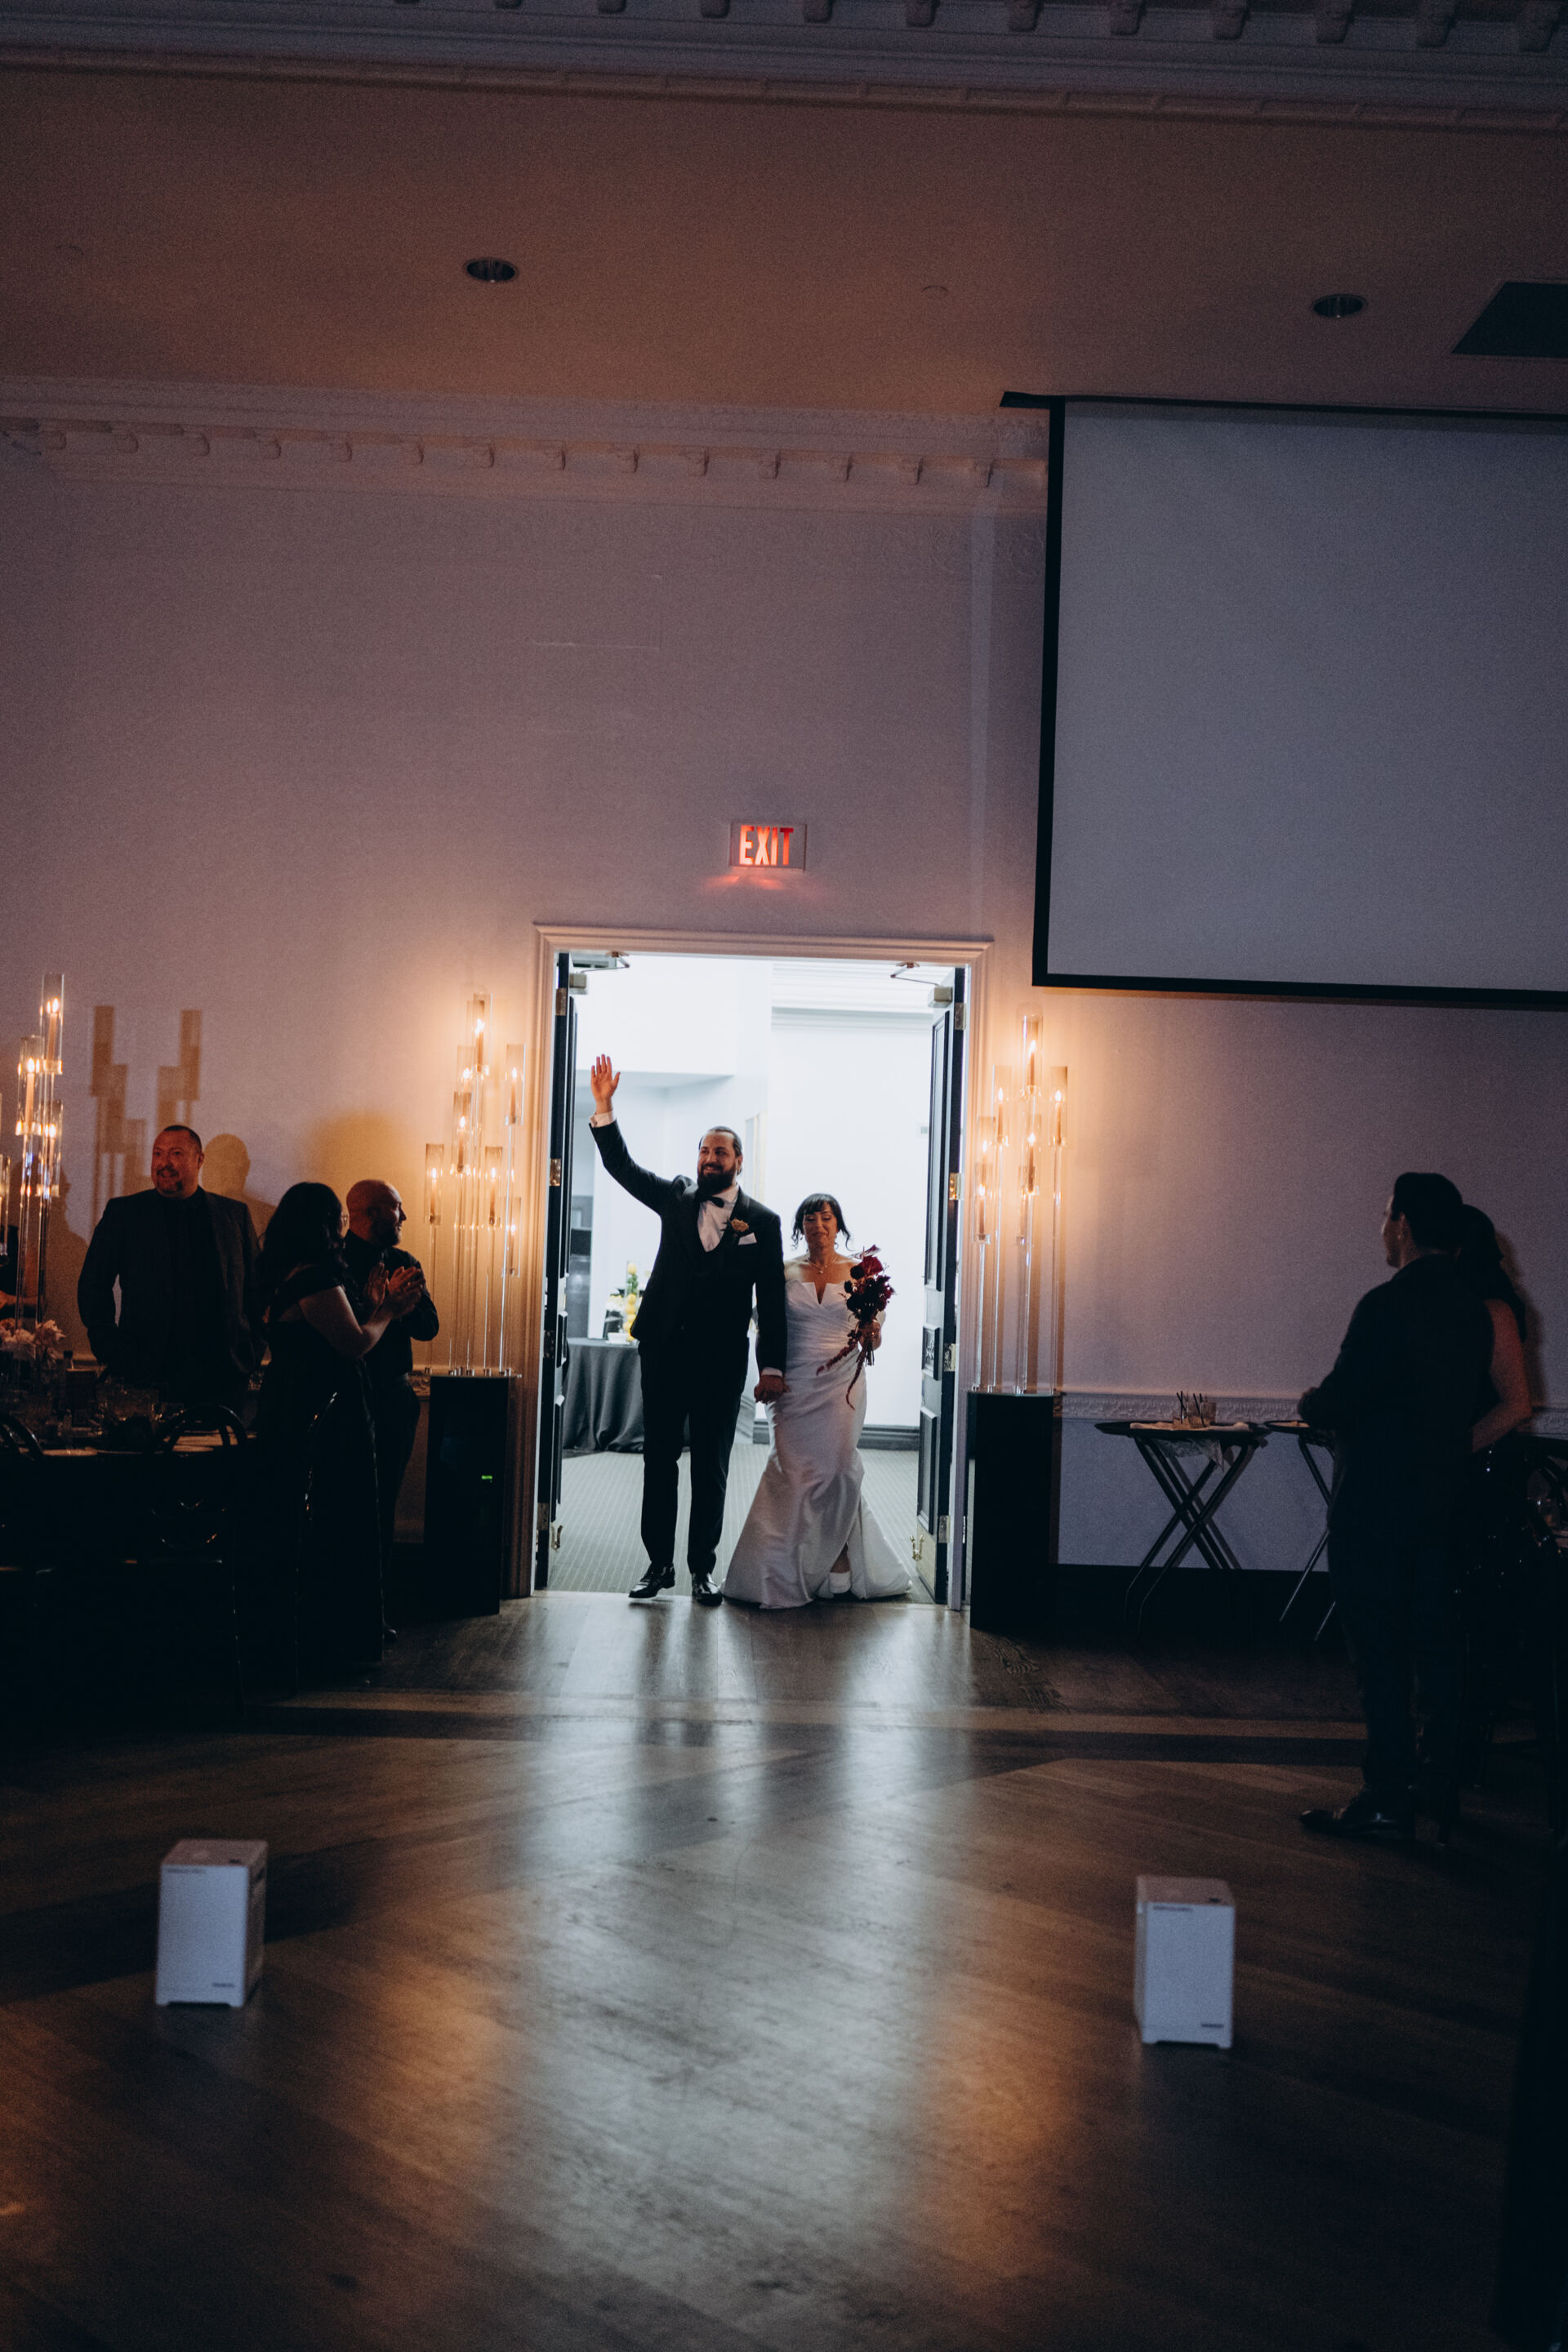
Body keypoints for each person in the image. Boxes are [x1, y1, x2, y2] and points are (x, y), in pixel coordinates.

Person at [1297, 1171, 1492, 1845]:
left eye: (1386, 1215)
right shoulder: (1472, 1311)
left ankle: (1386, 1794)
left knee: (1378, 1658)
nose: (1382, 1227)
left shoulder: (1385, 1306)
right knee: (1436, 1651)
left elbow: (1340, 1400)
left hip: (1374, 1507)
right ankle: (1438, 1791)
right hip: (1442, 1503)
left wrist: (1310, 1403)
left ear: (1404, 1224)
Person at [587, 1053, 786, 1606]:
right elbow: (623, 1168)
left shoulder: (763, 1222)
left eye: (720, 1151)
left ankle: (703, 1569)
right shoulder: (675, 1197)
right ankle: (658, 1565)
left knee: (712, 1467)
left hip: (721, 1361)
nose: (709, 1158)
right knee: (659, 1460)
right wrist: (604, 1108)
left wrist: (771, 1365)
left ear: (738, 1161)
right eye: (703, 1150)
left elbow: (771, 1299)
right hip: (665, 1352)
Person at [252, 1182, 425, 1682]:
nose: (342, 1231)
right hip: (322, 1414)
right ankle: (329, 1643)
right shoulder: (313, 1279)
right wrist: (388, 1310)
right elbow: (351, 1344)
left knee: (318, 1521)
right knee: (334, 1520)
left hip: (293, 1400)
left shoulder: (284, 1273)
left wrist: (371, 1304)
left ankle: (319, 1637)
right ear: (322, 1225)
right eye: (337, 1221)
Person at [722, 1194, 911, 1609]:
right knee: (792, 1471)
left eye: (826, 1217)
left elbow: (874, 1331)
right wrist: (768, 1373)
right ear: (800, 1227)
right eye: (810, 1218)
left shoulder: (861, 1272)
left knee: (838, 1468)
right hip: (793, 1384)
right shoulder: (784, 1271)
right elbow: (764, 1325)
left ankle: (837, 1546)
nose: (818, 1225)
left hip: (843, 1383)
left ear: (838, 1225)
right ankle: (778, 1569)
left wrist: (872, 1334)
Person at [78, 1124, 260, 1414]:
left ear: (199, 1160)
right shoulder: (125, 1214)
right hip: (146, 1375)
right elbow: (93, 1285)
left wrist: (251, 1352)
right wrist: (111, 1348)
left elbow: (257, 1290)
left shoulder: (234, 1215)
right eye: (158, 1154)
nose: (164, 1163)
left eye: (176, 1154)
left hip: (223, 1377)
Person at [1454, 1203, 1536, 1777]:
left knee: (1479, 1603)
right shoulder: (1467, 1306)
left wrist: (1453, 1451)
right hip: (1469, 1467)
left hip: (1485, 1471)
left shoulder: (1494, 1310)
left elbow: (1516, 1405)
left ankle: (1468, 1739)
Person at [341, 1179, 440, 1596]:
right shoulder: (335, 1262)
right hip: (346, 1397)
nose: (405, 1216)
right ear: (373, 1213)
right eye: (398, 1208)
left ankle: (376, 1604)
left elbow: (429, 1327)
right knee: (345, 1503)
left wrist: (399, 1305)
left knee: (385, 1501)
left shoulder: (404, 1262)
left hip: (395, 1397)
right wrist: (388, 1304)